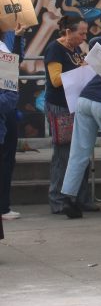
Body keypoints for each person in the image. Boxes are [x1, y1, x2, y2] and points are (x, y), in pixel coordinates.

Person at [60, 35, 101, 218]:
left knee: (78, 151)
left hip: (85, 97)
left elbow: (95, 41)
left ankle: (68, 198)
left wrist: (96, 59)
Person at [44, 14, 94, 217]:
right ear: (67, 32)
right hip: (60, 107)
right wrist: (80, 70)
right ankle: (57, 199)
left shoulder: (75, 48)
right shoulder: (55, 49)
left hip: (75, 105)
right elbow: (55, 80)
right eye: (80, 33)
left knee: (81, 153)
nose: (84, 37)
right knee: (63, 154)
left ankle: (79, 198)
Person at [0, 18, 24, 234]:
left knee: (6, 159)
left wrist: (17, 37)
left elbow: (10, 93)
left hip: (4, 120)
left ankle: (3, 206)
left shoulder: (5, 49)